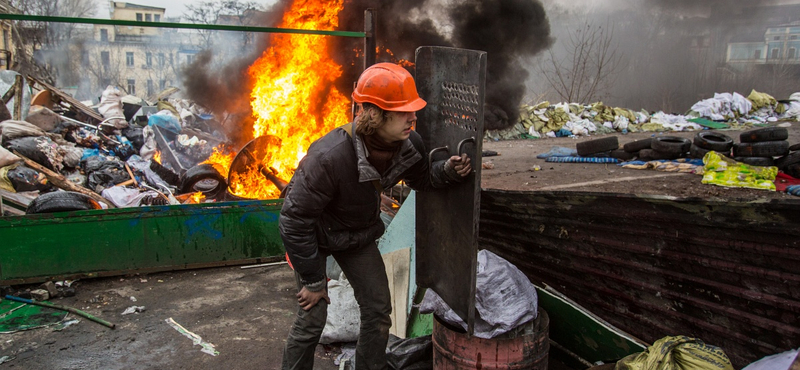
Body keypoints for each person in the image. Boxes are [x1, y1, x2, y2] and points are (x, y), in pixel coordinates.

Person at [280, 62, 472, 370]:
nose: (413, 117)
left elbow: (421, 181)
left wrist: (447, 171)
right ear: (374, 113)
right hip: (314, 238)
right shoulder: (329, 157)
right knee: (312, 319)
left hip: (356, 235)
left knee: (378, 309)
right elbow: (293, 220)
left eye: (413, 109)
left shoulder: (409, 144)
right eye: (403, 111)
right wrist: (314, 281)